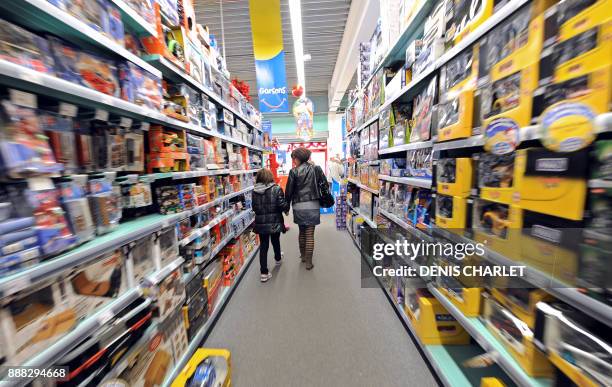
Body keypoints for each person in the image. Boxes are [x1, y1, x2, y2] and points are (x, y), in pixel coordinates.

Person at [284, 147, 326, 270]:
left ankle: (303, 256)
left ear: (299, 158)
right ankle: (309, 262)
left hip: (298, 206)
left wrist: (286, 207)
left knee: (301, 232)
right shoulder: (316, 169)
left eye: (294, 158)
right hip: (313, 205)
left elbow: (289, 191)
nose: (293, 161)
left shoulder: (293, 172)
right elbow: (324, 185)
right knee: (310, 234)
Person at [252, 168, 289, 282]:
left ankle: (264, 272)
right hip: (274, 221)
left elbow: (254, 207)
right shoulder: (276, 189)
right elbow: (282, 205)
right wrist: (286, 209)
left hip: (261, 222)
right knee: (275, 240)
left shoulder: (254, 191)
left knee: (263, 246)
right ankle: (278, 258)